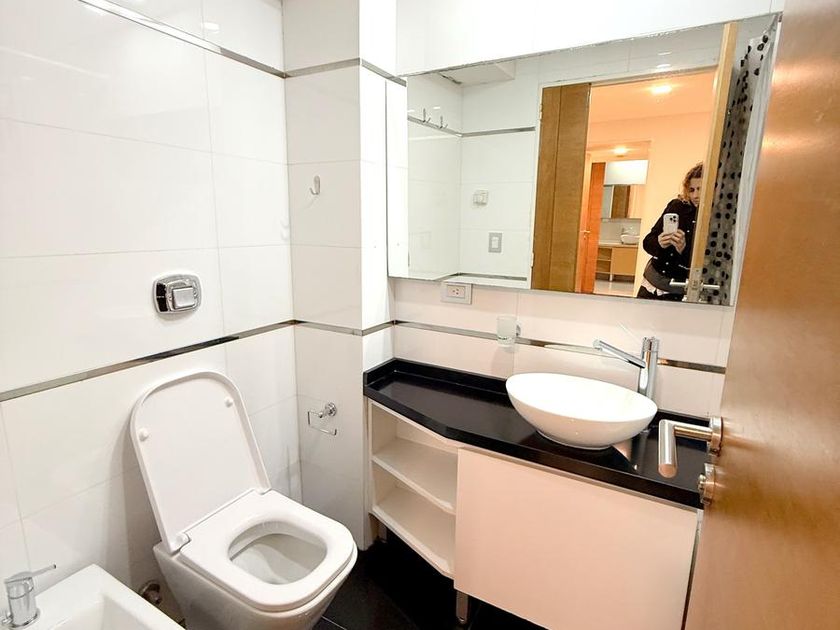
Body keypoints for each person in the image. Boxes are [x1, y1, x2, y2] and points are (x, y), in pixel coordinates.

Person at [637, 162, 703, 300]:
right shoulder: (677, 206)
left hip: (678, 289)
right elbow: (647, 242)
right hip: (651, 281)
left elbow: (704, 263)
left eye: (700, 189)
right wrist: (659, 243)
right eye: (691, 190)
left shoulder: (715, 220)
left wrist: (683, 250)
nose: (695, 195)